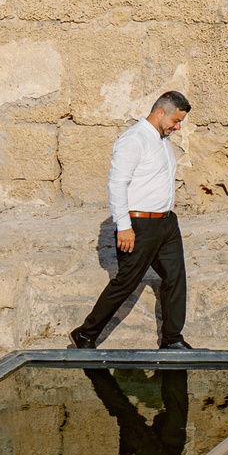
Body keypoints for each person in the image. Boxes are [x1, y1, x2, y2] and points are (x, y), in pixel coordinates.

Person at [70, 91, 192, 351]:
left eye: (180, 122)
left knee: (175, 277)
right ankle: (85, 333)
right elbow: (117, 183)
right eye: (175, 120)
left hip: (167, 223)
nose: (177, 126)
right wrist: (123, 226)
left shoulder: (162, 139)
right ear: (160, 112)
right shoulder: (134, 139)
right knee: (126, 281)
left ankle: (172, 339)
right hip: (140, 225)